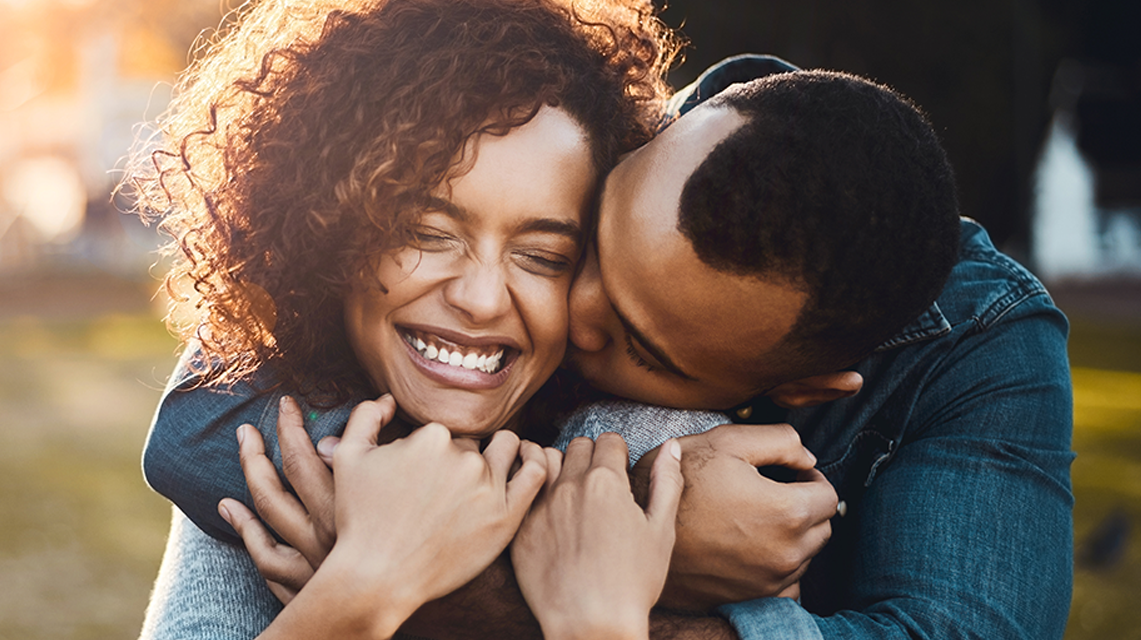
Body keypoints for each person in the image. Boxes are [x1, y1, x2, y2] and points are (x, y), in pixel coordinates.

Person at [144, 57, 1075, 640]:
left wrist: (544, 580)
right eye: (585, 246)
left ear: (803, 385)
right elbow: (197, 428)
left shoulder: (978, 344)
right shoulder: (592, 131)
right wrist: (643, 532)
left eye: (640, 341)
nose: (569, 314)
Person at [125, 0, 701, 637]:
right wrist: (366, 585)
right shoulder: (268, 458)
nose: (482, 299)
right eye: (426, 233)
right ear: (327, 229)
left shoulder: (666, 449)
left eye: (543, 257)